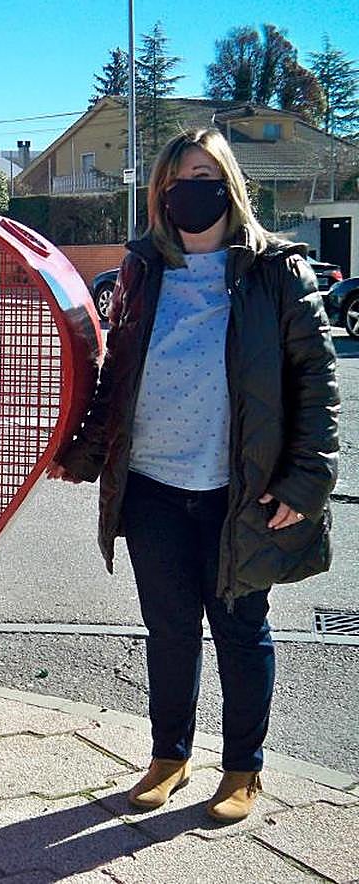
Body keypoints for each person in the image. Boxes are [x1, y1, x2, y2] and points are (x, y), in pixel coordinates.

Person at [48, 128, 338, 822]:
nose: (190, 191)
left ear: (230, 184)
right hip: (151, 487)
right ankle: (168, 756)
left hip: (238, 492)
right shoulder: (145, 268)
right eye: (177, 180)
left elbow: (317, 386)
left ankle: (242, 769)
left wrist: (304, 485)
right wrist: (84, 454)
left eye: (205, 175)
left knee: (241, 631)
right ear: (160, 194)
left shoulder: (277, 271)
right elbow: (117, 374)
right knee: (169, 630)